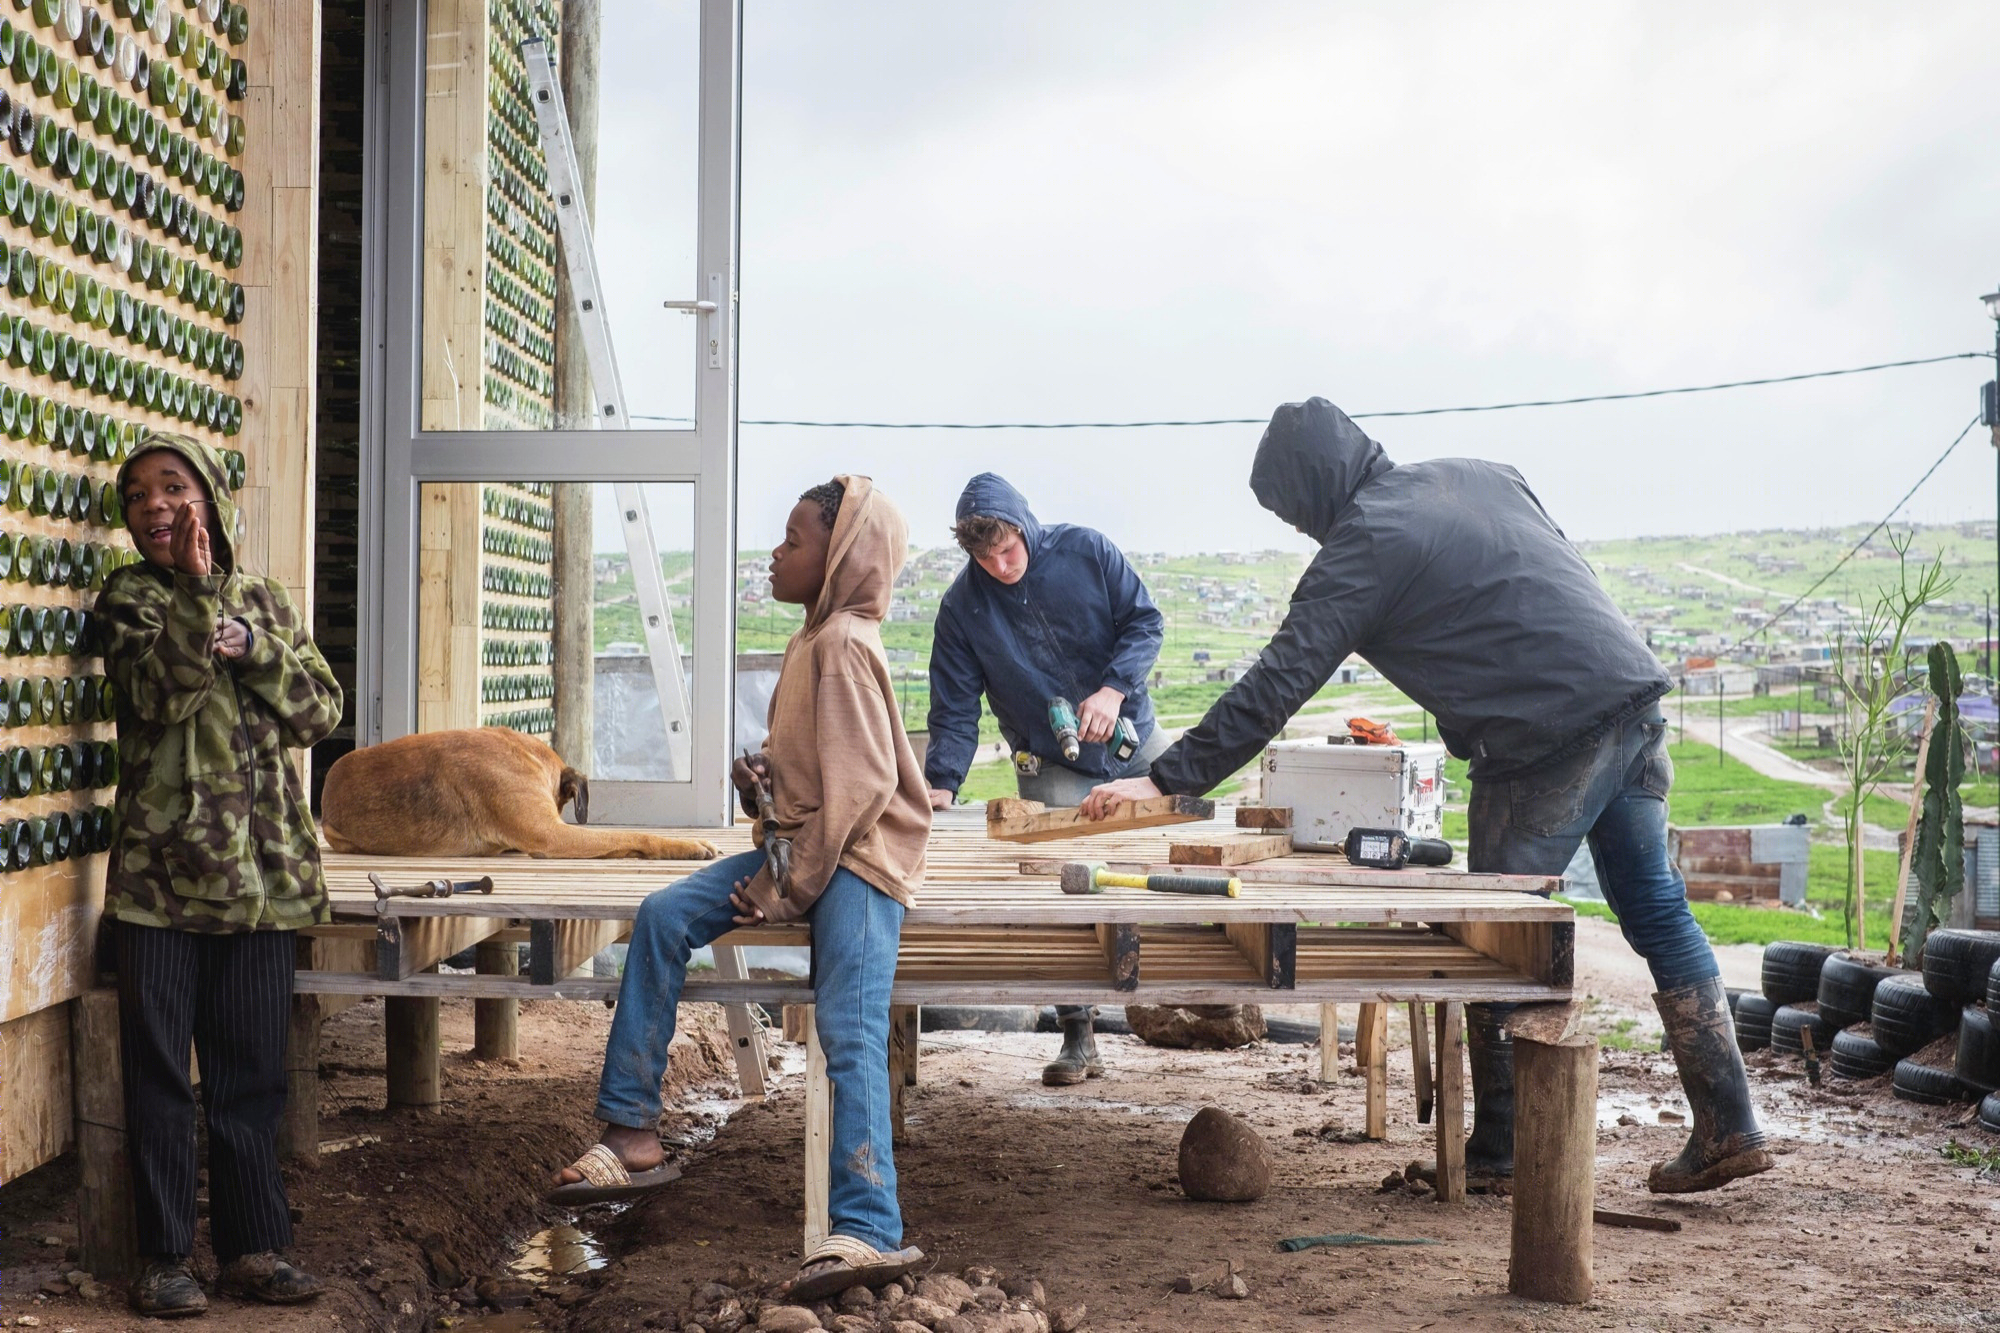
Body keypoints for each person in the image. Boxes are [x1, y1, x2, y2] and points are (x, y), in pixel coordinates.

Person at [1083, 398, 1772, 1196]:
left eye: (1294, 513)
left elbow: (1278, 681)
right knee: (1656, 906)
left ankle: (1504, 1147)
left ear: (1309, 490)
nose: (1304, 531)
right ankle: (1730, 1122)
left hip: (1546, 744)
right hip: (1633, 707)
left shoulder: (1365, 540)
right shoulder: (1481, 475)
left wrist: (1166, 777)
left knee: (1492, 939)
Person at [549, 477, 932, 1301]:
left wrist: (782, 884)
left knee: (848, 1024)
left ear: (841, 557)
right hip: (803, 847)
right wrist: (762, 789)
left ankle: (868, 1226)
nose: (777, 552)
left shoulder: (845, 645)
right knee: (661, 915)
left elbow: (863, 790)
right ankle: (632, 1129)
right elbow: (808, 782)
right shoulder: (811, 641)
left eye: (794, 540)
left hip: (859, 863)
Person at [96, 431, 343, 1316]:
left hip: (264, 886)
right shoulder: (127, 598)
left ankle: (252, 1248)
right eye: (136, 497)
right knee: (161, 1078)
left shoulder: (268, 599)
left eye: (171, 486)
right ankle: (164, 1257)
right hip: (160, 889)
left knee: (251, 1079)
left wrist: (256, 646)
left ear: (212, 497)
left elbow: (321, 708)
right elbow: (159, 695)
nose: (153, 505)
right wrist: (199, 605)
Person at [924, 473, 1165, 1085]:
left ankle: (1197, 996)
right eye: (984, 556)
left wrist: (1112, 690)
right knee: (1061, 891)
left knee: (1175, 855)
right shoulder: (962, 609)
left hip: (1132, 737)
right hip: (1052, 761)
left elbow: (1146, 623)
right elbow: (955, 708)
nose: (1000, 566)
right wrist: (941, 785)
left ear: (1025, 527)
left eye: (1007, 549)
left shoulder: (1087, 551)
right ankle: (1079, 1034)